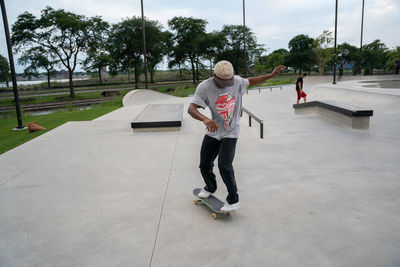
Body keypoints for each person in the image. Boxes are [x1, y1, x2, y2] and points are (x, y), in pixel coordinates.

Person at [188, 60, 285, 212]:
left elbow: (253, 81)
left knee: (224, 165)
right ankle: (210, 187)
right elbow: (191, 108)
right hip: (213, 130)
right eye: (222, 82)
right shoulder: (204, 87)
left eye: (229, 81)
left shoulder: (238, 81)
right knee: (204, 164)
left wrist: (272, 75)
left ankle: (233, 199)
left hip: (231, 131)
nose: (226, 85)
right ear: (214, 76)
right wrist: (205, 118)